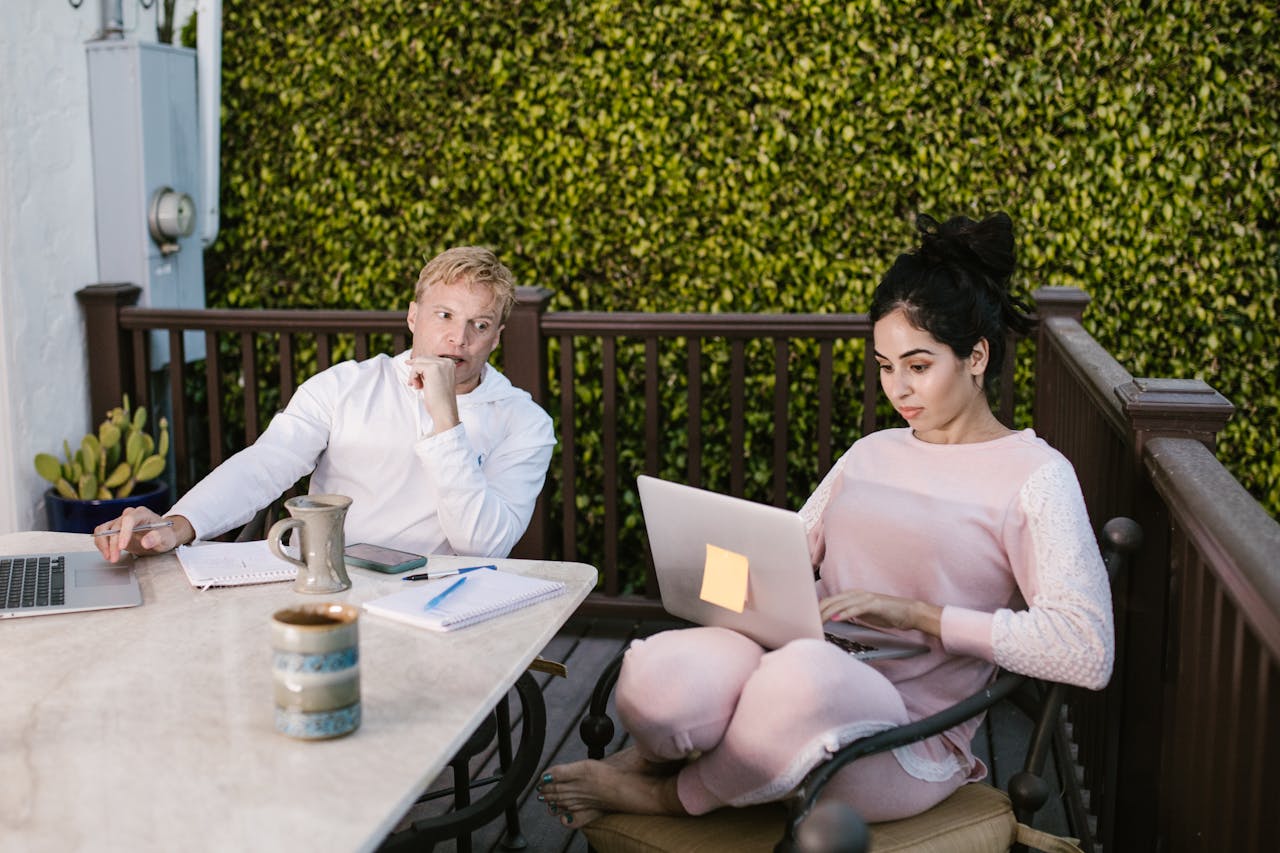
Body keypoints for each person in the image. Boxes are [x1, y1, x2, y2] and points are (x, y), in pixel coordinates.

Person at [536, 212, 1114, 827]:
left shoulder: (1034, 474)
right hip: (788, 663)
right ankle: (671, 758)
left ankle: (668, 793)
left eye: (918, 366)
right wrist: (719, 575)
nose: (899, 388)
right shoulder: (871, 452)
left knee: (803, 679)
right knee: (658, 674)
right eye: (885, 365)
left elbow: (1086, 649)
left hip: (903, 736)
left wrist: (921, 617)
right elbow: (786, 557)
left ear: (976, 357)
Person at [95, 246, 556, 563]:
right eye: (444, 315)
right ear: (413, 316)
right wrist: (178, 524)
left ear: (497, 336)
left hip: (439, 600)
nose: (459, 338)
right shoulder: (346, 385)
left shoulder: (525, 423)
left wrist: (445, 419)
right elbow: (268, 463)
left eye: (480, 324)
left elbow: (481, 546)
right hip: (324, 581)